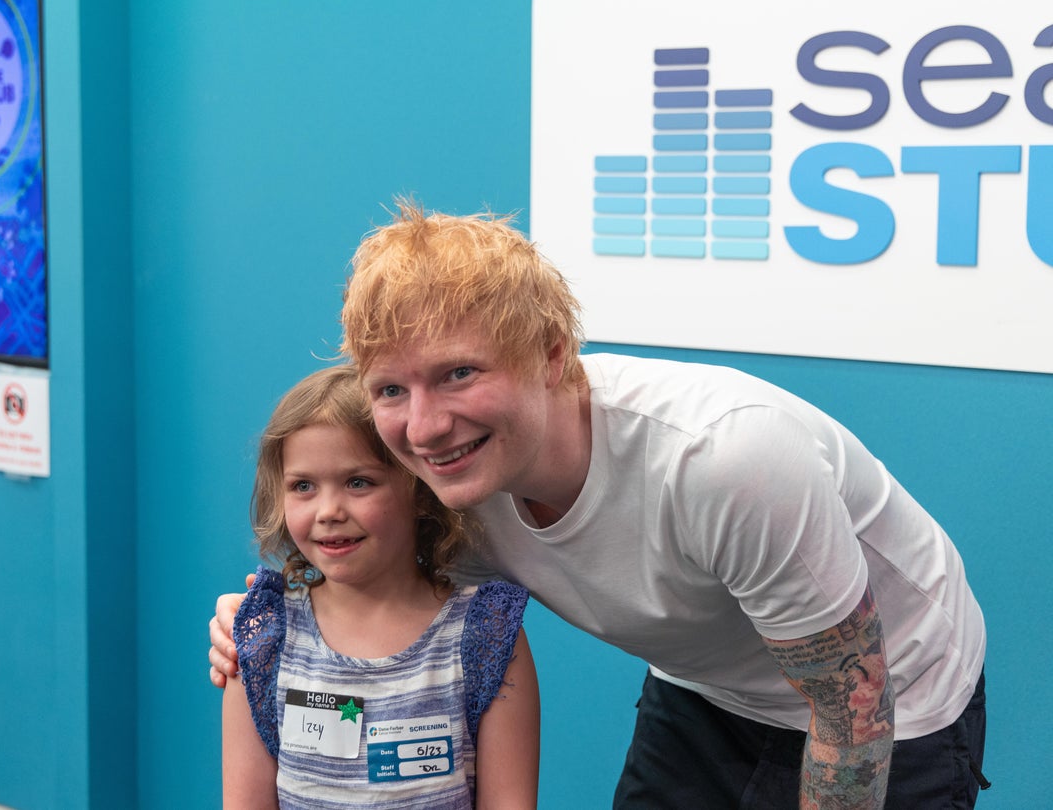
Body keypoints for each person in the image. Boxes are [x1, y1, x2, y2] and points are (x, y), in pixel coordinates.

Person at [213, 201, 988, 809]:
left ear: (554, 355)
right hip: (707, 686)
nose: (425, 426)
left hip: (889, 694)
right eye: (392, 388)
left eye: (459, 374)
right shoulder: (446, 485)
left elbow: (851, 706)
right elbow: (364, 578)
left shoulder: (722, 459)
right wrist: (248, 618)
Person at [221, 363, 539, 810]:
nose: (328, 510)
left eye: (358, 482)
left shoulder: (486, 636)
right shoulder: (263, 640)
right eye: (303, 486)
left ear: (420, 491)